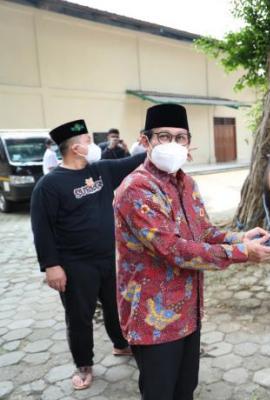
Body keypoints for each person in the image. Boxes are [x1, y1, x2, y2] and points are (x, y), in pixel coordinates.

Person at [114, 103, 270, 400]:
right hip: (153, 318)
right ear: (145, 140)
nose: (173, 144)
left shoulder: (186, 183)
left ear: (189, 144)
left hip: (188, 309)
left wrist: (239, 236)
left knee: (185, 389)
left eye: (181, 137)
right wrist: (242, 252)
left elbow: (204, 232)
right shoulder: (137, 189)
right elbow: (174, 249)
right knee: (160, 392)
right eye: (164, 136)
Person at [30, 120, 146, 390]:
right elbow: (42, 229)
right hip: (74, 264)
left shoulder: (100, 170)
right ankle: (83, 365)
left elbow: (135, 162)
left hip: (108, 257)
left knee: (115, 305)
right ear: (75, 148)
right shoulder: (49, 186)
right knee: (79, 317)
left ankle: (121, 344)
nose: (93, 144)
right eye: (88, 140)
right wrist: (51, 266)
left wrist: (165, 148)